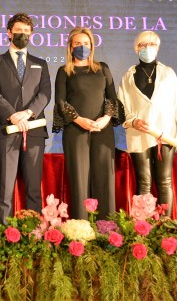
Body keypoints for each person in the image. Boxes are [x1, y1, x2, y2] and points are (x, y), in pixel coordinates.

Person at [0, 13, 51, 224]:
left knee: (33, 188)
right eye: (18, 31)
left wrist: (28, 113)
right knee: (5, 187)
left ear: (31, 34)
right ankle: (4, 235)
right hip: (7, 131)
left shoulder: (40, 63)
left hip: (34, 131)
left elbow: (45, 93)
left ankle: (33, 233)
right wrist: (13, 115)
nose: (22, 35)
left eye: (26, 32)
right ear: (9, 33)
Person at [117, 31, 177, 215]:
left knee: (164, 181)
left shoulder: (168, 73)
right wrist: (133, 121)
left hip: (165, 134)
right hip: (138, 134)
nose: (146, 48)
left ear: (158, 47)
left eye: (151, 44)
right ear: (136, 48)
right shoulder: (128, 75)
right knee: (144, 182)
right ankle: (144, 227)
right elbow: (121, 105)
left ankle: (166, 227)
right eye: (142, 45)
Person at [54, 27, 119, 220]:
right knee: (79, 180)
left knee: (104, 180)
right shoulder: (64, 71)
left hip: (103, 131)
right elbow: (61, 102)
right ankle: (80, 230)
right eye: (77, 44)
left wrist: (105, 119)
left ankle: (107, 229)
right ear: (70, 47)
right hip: (76, 132)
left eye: (86, 43)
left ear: (92, 46)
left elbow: (113, 98)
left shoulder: (102, 68)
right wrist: (79, 120)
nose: (82, 47)